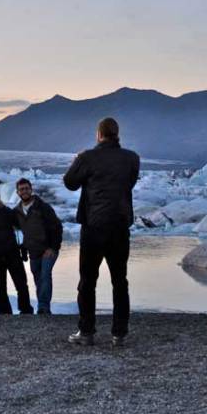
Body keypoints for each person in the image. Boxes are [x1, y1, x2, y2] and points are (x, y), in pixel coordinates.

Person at [62, 117, 140, 346]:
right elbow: (129, 184)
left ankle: (86, 332)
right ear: (118, 134)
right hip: (119, 226)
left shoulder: (87, 157)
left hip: (94, 227)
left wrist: (77, 161)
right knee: (120, 280)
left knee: (88, 280)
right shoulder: (132, 158)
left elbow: (70, 182)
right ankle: (119, 333)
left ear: (99, 134)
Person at [0, 183, 33, 315]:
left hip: (12, 254)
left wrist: (26, 247)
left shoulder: (7, 212)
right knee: (0, 289)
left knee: (21, 285)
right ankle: (4, 315)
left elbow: (24, 226)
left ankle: (26, 312)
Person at [14, 177, 62, 315]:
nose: (24, 191)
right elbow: (12, 225)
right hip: (33, 251)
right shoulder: (17, 211)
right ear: (17, 192)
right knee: (38, 279)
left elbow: (57, 227)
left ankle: (43, 307)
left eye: (26, 188)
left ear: (31, 189)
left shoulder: (43, 207)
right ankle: (43, 306)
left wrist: (52, 248)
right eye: (21, 189)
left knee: (45, 275)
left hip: (48, 249)